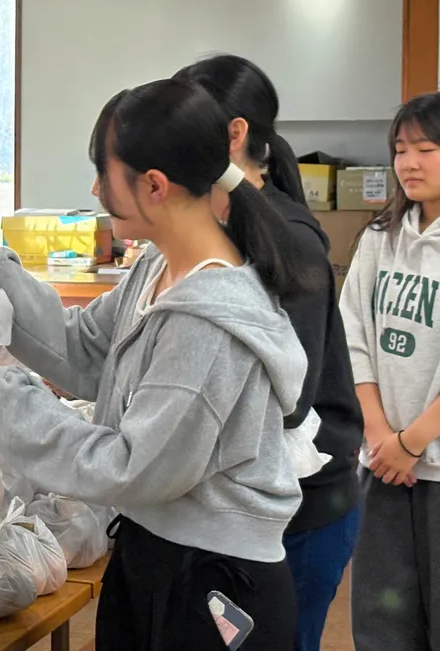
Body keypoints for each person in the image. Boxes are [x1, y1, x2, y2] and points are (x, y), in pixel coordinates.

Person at [0, 78, 308, 650]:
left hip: (211, 579)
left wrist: (6, 391)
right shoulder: (156, 269)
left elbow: (133, 468)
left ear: (153, 186)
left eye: (103, 174)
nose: (94, 188)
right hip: (155, 550)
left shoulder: (206, 323)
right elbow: (83, 352)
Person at [175, 54, 364, 651]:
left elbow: (290, 393)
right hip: (247, 505)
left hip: (303, 508)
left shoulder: (290, 238)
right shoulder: (215, 224)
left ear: (233, 134)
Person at [340, 92, 440, 651]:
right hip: (383, 466)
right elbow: (352, 335)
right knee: (382, 625)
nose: (409, 162)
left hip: (432, 465)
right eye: (401, 149)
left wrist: (414, 441)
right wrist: (381, 437)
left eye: (426, 148)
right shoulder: (380, 239)